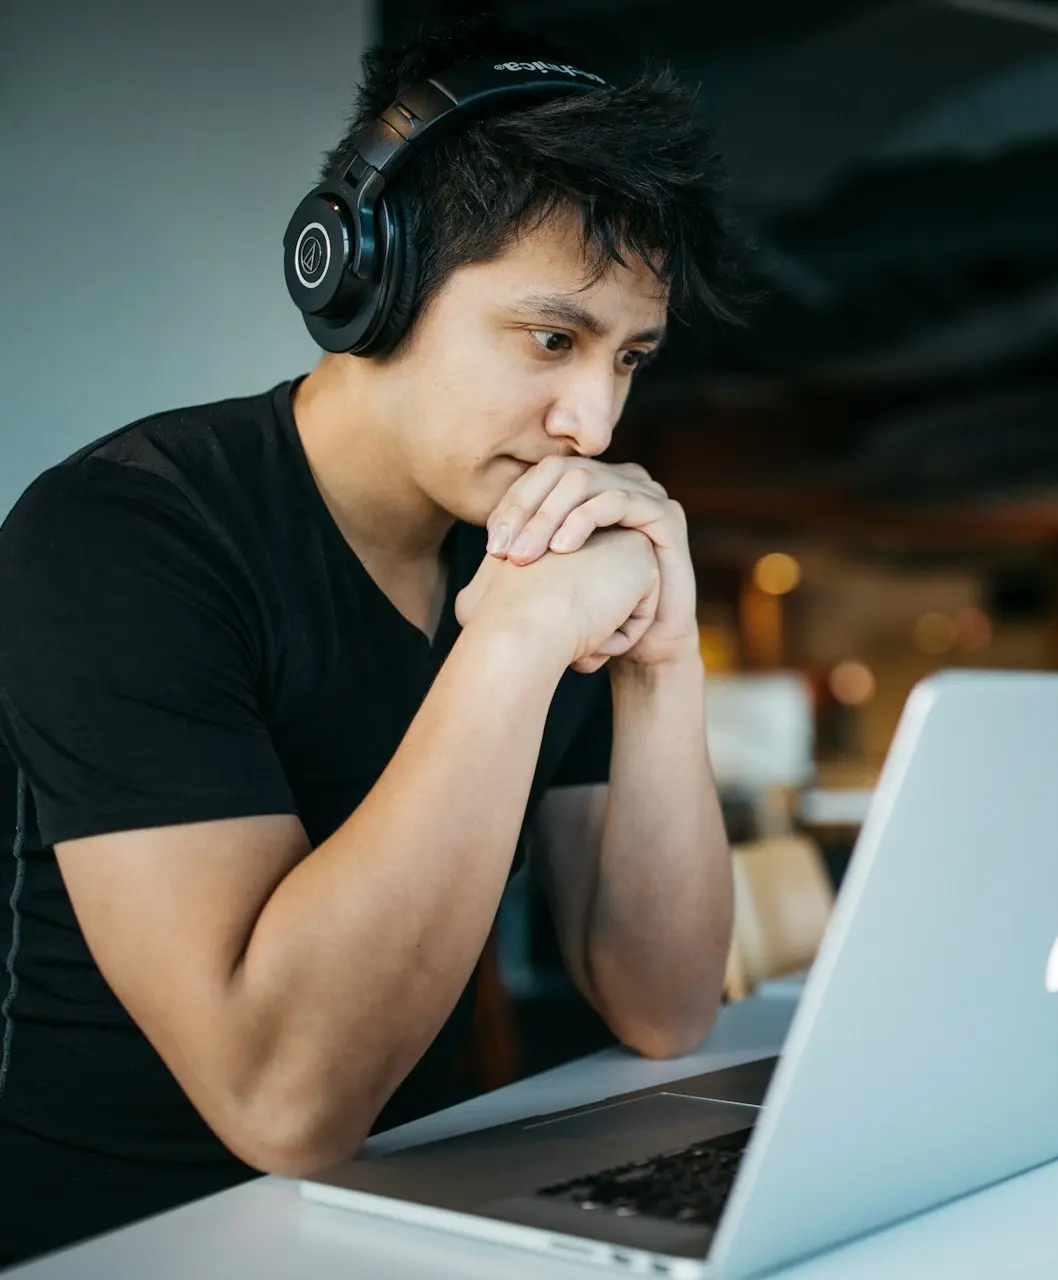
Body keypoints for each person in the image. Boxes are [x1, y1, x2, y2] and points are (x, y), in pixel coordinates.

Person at [0, 15, 745, 1264]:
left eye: (631, 358)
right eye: (552, 339)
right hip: (122, 1240)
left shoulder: (527, 540)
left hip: (405, 1222)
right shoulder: (123, 535)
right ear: (365, 279)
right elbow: (282, 1101)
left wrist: (662, 663)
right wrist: (510, 644)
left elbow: (664, 1006)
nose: (592, 416)